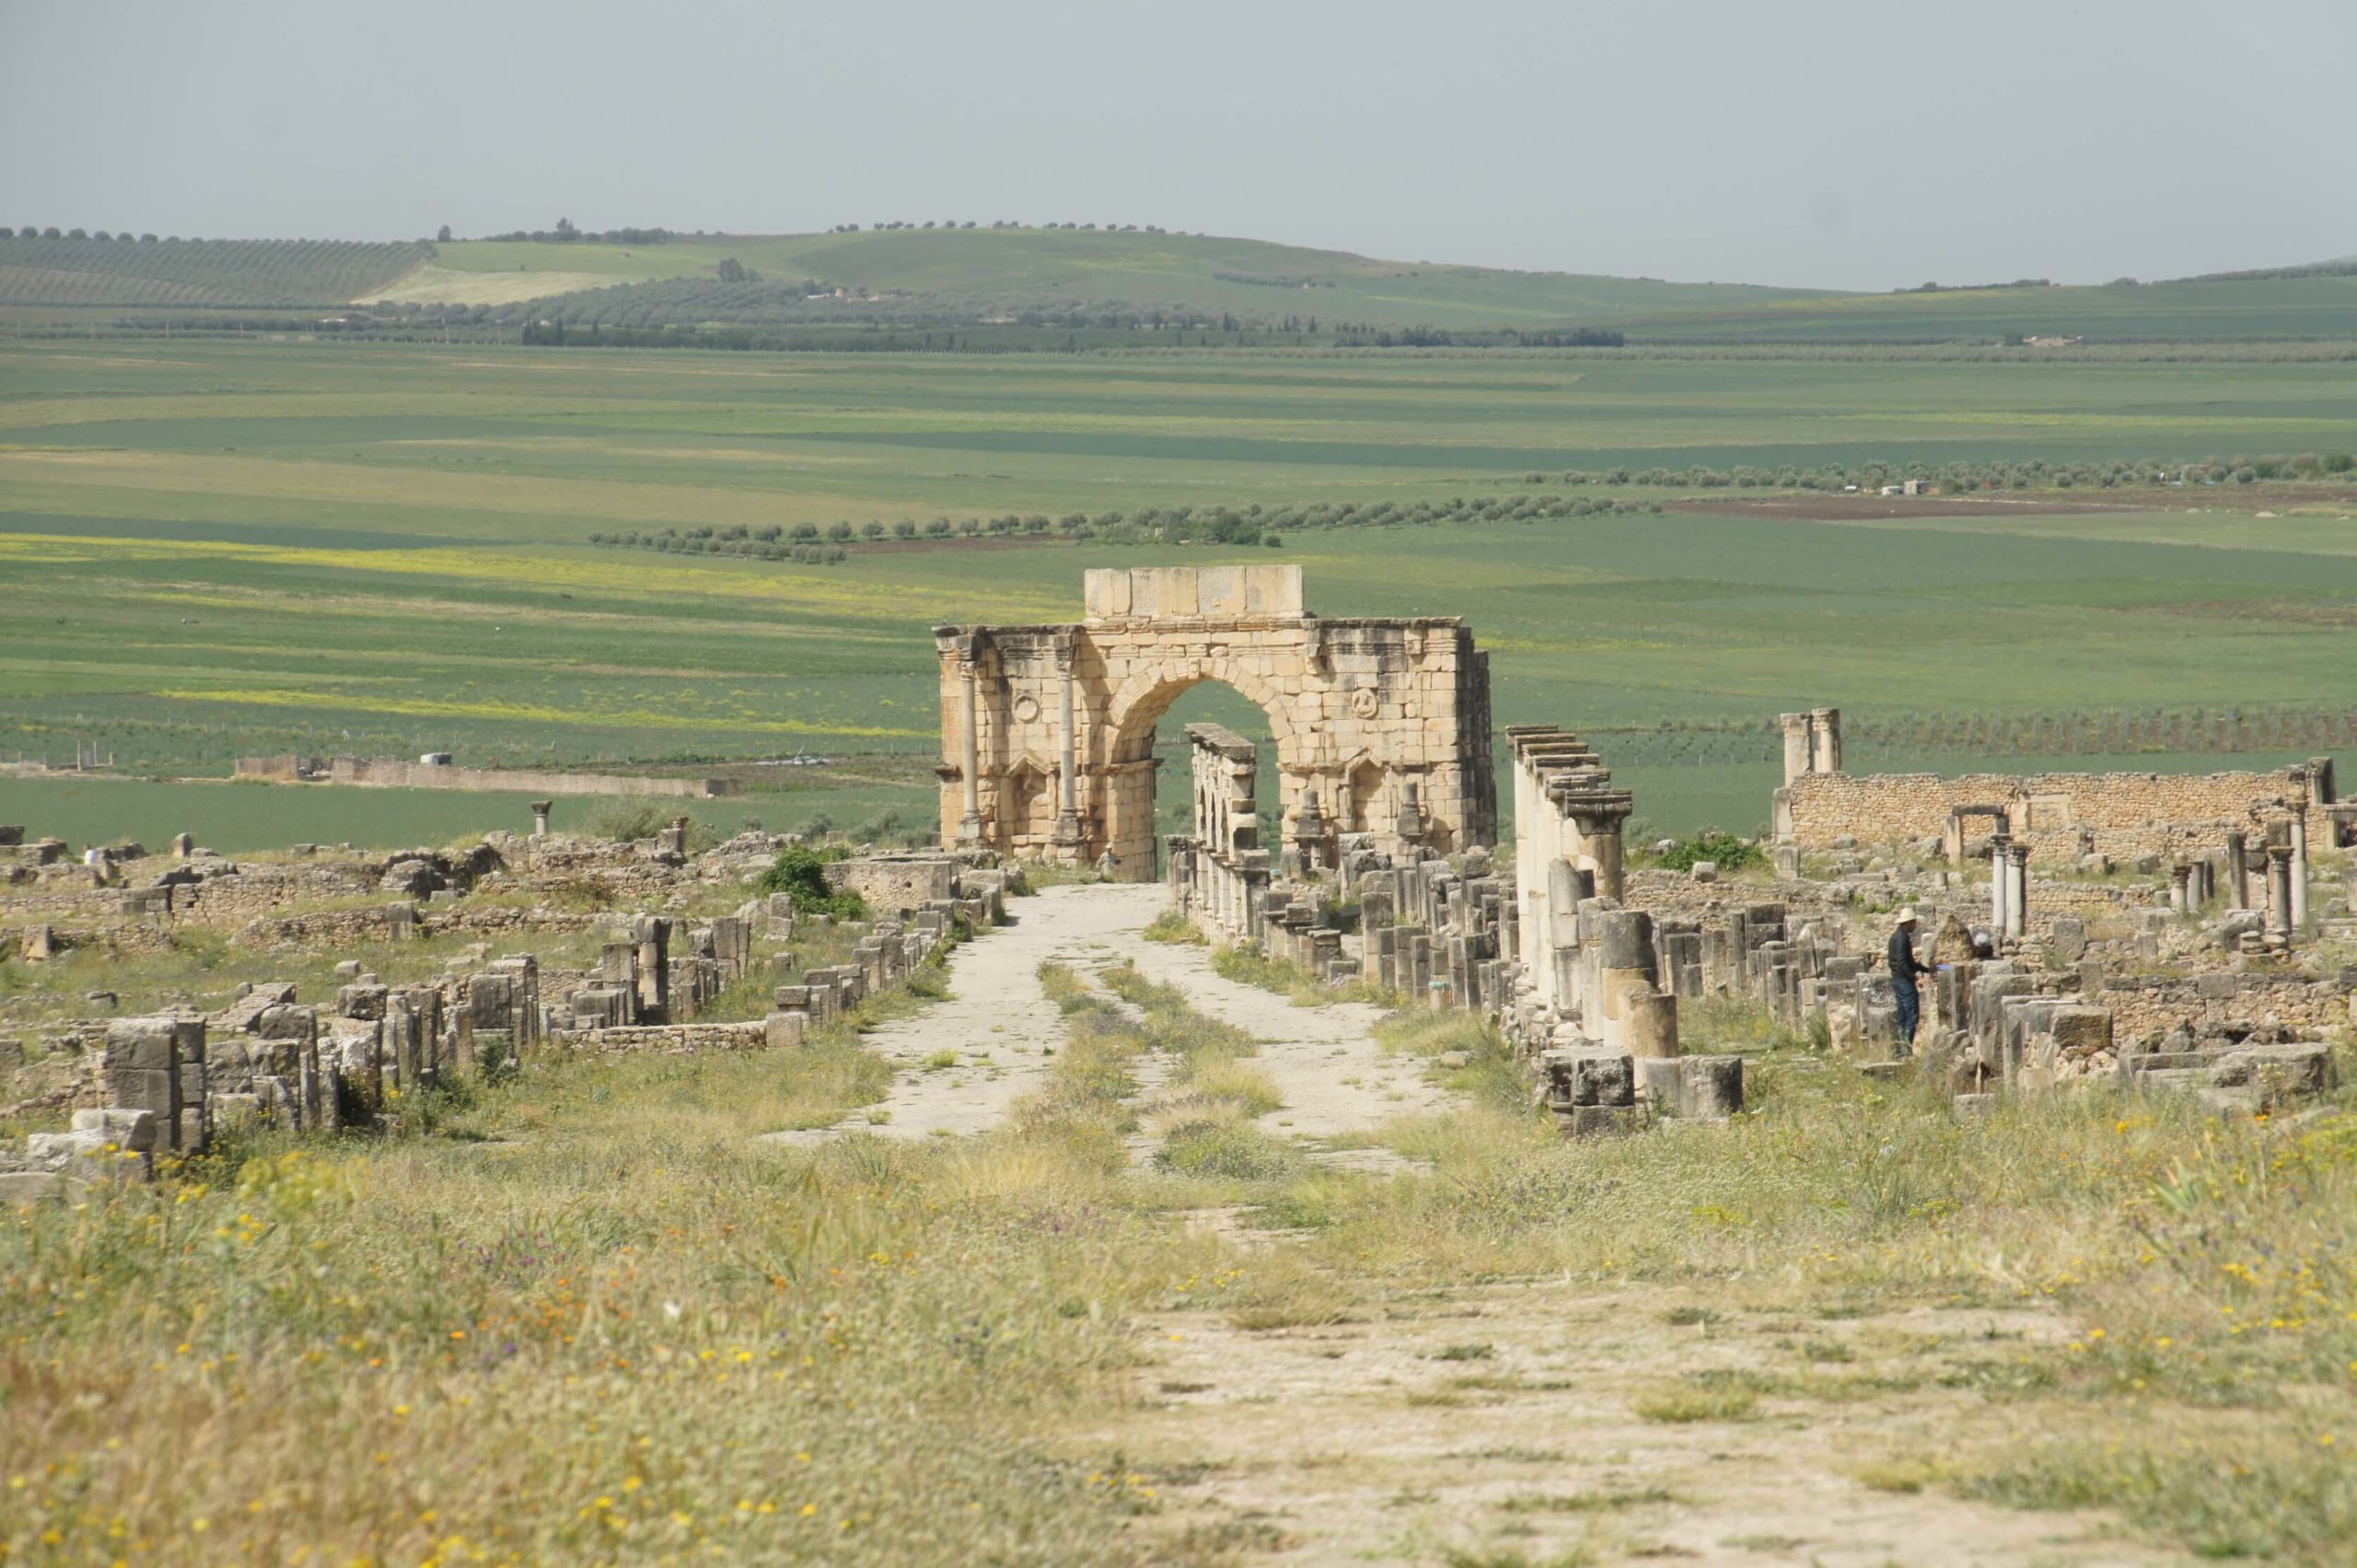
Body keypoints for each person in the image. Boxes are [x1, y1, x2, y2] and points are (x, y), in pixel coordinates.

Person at [1887, 909, 1933, 1053]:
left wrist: (1928, 969)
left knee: (1902, 1016)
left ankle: (1898, 1051)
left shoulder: (1898, 936)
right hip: (1903, 981)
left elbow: (1910, 962)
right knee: (1912, 1015)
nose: (1915, 926)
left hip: (1897, 980)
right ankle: (1905, 1050)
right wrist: (1915, 978)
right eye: (1914, 923)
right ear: (1909, 923)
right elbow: (1902, 963)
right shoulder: (1902, 938)